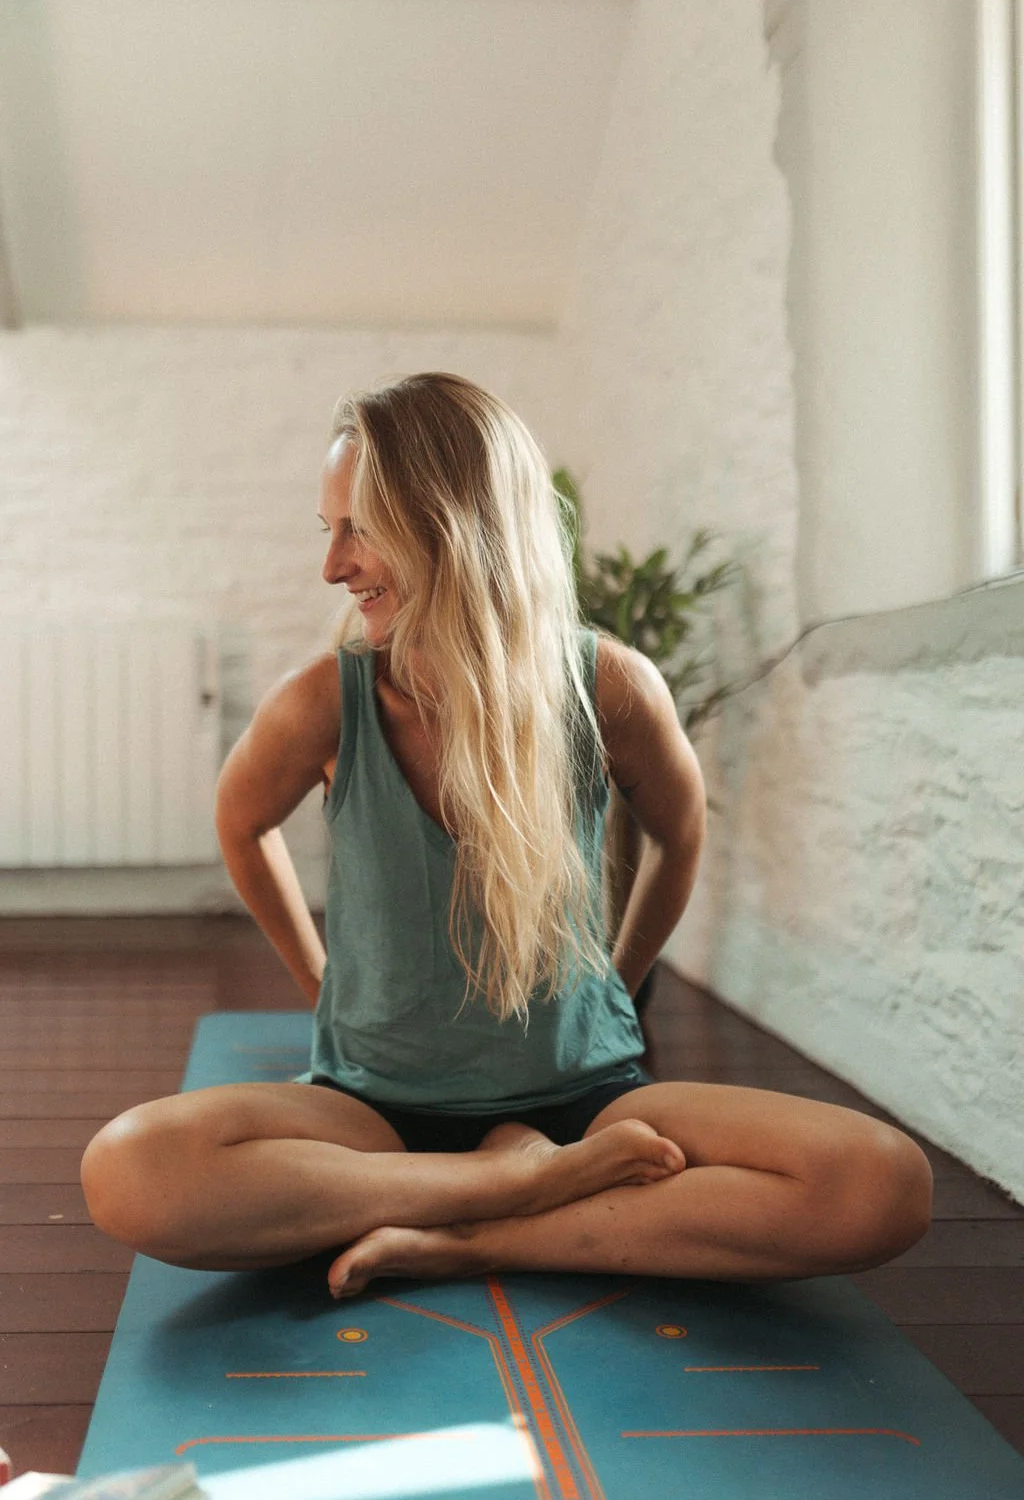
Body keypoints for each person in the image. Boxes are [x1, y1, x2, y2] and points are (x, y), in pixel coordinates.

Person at [81, 372, 932, 1299]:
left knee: (879, 1182)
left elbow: (679, 836)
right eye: (329, 531)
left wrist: (617, 981)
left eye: (358, 528)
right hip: (371, 1119)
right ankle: (501, 1185)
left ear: (454, 522)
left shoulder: (610, 687)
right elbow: (240, 824)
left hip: (586, 1103)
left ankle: (481, 1237)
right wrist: (322, 983)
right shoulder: (324, 702)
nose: (333, 566)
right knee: (129, 1169)